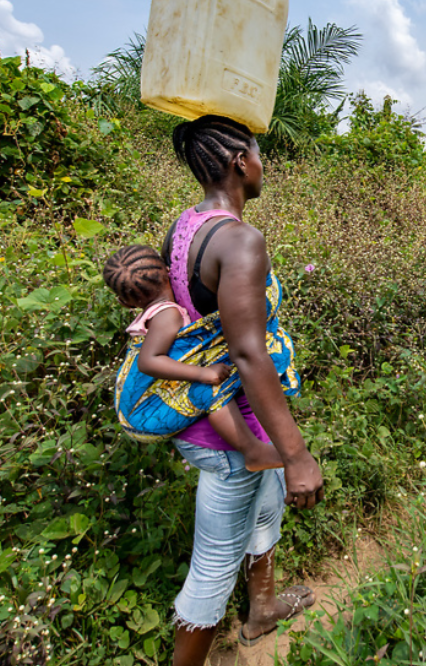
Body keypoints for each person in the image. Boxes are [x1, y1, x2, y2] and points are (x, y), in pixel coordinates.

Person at [161, 115, 324, 663]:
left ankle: (262, 611)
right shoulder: (241, 241)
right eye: (258, 153)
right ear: (239, 162)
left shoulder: (186, 225)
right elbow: (249, 352)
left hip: (233, 420)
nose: (263, 164)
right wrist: (297, 455)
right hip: (229, 438)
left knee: (265, 511)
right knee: (211, 566)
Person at [103, 244, 282, 472]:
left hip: (135, 408)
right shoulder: (166, 315)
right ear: (169, 270)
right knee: (211, 390)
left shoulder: (160, 313)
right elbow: (148, 362)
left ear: (125, 303)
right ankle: (253, 452)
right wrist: (203, 373)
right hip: (141, 417)